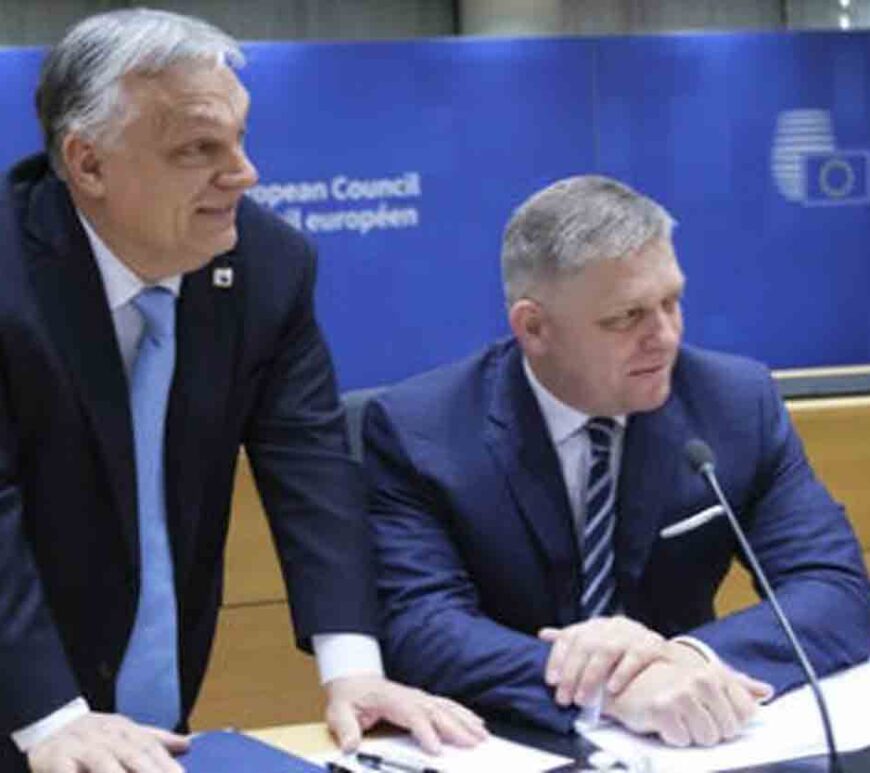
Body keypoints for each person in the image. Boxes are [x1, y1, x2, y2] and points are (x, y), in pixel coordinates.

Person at [0, 9, 487, 773]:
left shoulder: (268, 264)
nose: (244, 173)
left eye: (240, 137)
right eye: (199, 148)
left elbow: (312, 465)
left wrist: (353, 666)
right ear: (88, 165)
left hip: (144, 728)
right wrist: (53, 717)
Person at [362, 175, 870, 747]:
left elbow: (834, 588)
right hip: (508, 743)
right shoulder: (421, 429)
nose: (665, 337)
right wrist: (610, 691)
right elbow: (419, 625)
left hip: (686, 739)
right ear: (534, 328)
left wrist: (681, 658)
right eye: (625, 318)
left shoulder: (733, 404)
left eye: (672, 302)